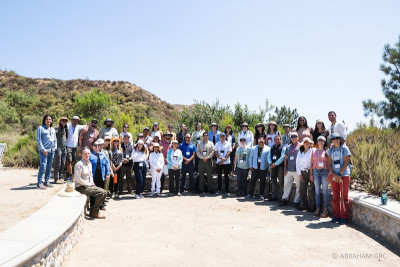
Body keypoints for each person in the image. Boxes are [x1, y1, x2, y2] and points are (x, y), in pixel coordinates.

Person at [74, 147, 107, 219]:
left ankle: (93, 210)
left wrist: (92, 183)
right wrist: (88, 184)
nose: (87, 155)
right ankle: (95, 212)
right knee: (100, 192)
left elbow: (90, 175)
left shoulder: (89, 163)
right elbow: (77, 178)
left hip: (88, 186)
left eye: (88, 153)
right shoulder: (79, 164)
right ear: (81, 154)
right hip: (81, 187)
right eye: (85, 154)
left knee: (104, 192)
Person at [327, 133, 351, 224]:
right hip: (334, 176)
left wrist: (339, 174)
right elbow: (329, 164)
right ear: (331, 141)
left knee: (344, 197)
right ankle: (336, 215)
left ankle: (344, 217)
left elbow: (346, 163)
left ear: (340, 139)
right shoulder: (330, 150)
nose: (335, 140)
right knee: (335, 197)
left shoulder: (345, 148)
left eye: (337, 138)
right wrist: (334, 174)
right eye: (333, 139)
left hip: (344, 175)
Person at [310, 136, 329, 217]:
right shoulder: (313, 151)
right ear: (317, 142)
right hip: (316, 172)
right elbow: (311, 163)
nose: (320, 142)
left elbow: (329, 163)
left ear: (324, 142)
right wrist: (311, 174)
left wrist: (329, 174)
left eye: (322, 141)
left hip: (324, 172)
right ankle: (318, 208)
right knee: (317, 191)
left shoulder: (327, 152)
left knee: (325, 191)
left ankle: (325, 209)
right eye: (319, 140)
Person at [36, 114, 57, 189]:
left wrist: (55, 147)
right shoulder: (41, 128)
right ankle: (39, 183)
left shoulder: (53, 129)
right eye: (47, 119)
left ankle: (47, 181)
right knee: (43, 166)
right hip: (44, 151)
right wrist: (43, 149)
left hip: (51, 150)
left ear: (51, 121)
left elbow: (55, 139)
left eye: (49, 119)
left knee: (49, 166)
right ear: (44, 120)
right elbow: (38, 140)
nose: (48, 120)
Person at [246, 136, 270, 200]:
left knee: (262, 181)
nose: (261, 142)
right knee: (253, 180)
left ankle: (261, 194)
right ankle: (250, 193)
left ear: (264, 141)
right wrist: (250, 166)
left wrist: (269, 168)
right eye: (259, 141)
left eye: (262, 141)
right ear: (258, 142)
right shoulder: (253, 148)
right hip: (255, 167)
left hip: (263, 167)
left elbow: (269, 159)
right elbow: (250, 158)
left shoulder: (268, 149)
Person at [280, 132, 301, 206]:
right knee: (286, 185)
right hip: (289, 169)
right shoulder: (288, 147)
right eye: (292, 136)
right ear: (290, 138)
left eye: (295, 136)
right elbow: (286, 158)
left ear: (298, 137)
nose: (294, 138)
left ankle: (296, 201)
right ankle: (284, 199)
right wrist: (285, 168)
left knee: (298, 186)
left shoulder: (301, 146)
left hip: (297, 170)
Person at [89, 139, 110, 210]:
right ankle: (92, 205)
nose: (97, 146)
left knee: (102, 190)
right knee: (93, 191)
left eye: (98, 145)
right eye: (95, 145)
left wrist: (107, 173)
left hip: (101, 175)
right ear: (92, 146)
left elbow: (107, 164)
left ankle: (101, 205)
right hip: (93, 176)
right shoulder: (90, 155)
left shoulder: (102, 154)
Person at [296, 137, 316, 212]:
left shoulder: (313, 151)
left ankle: (311, 206)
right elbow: (297, 163)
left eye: (308, 142)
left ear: (310, 143)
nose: (307, 143)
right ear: (303, 144)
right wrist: (299, 174)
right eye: (305, 142)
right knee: (302, 189)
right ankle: (303, 205)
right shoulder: (300, 152)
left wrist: (312, 173)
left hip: (311, 171)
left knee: (311, 189)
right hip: (302, 172)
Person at [267, 135, 286, 201]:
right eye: (276, 140)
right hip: (272, 166)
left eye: (278, 139)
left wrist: (275, 164)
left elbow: (282, 157)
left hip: (280, 167)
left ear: (280, 140)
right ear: (274, 140)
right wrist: (270, 163)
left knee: (281, 182)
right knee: (273, 181)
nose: (277, 141)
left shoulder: (283, 147)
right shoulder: (271, 147)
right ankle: (274, 196)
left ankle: (281, 198)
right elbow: (268, 156)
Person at [54, 117, 68, 183]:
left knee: (63, 163)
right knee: (58, 163)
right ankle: (56, 179)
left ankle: (60, 177)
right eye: (63, 121)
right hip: (58, 147)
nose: (64, 122)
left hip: (64, 148)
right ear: (60, 121)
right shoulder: (56, 128)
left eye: (65, 121)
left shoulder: (65, 129)